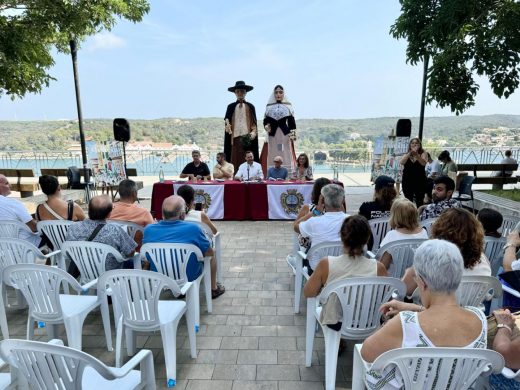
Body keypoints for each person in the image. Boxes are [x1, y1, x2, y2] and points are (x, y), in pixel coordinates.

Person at [361, 239, 487, 389]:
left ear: (422, 282)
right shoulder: (479, 318)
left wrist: (386, 324)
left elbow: (367, 354)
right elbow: (444, 320)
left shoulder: (405, 323)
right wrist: (415, 308)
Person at [304, 215, 387, 330]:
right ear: (367, 239)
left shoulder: (326, 264)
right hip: (368, 320)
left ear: (342, 237)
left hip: (336, 322)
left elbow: (308, 292)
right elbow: (386, 298)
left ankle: (337, 341)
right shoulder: (379, 268)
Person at [142, 195, 224, 299]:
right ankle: (214, 288)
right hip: (188, 276)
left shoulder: (149, 230)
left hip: (160, 275)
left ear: (163, 214)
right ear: (182, 215)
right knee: (211, 255)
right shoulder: (193, 229)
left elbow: (146, 257)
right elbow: (209, 253)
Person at [403, 207, 491, 295]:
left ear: (439, 229)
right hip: (471, 308)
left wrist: (410, 272)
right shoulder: (483, 260)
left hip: (431, 307)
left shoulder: (429, 256)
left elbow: (405, 289)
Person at [66, 195, 137, 273]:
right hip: (110, 275)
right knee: (135, 260)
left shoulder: (73, 228)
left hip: (85, 271)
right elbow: (131, 252)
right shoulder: (115, 230)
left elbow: (69, 253)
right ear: (109, 214)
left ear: (89, 210)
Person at [294, 184, 348, 272]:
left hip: (317, 270)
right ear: (342, 200)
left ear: (322, 200)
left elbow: (296, 226)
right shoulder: (351, 221)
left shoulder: (313, 222)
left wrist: (316, 211)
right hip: (342, 269)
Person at [378, 198, 428, 272]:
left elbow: (383, 265)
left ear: (395, 216)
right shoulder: (423, 232)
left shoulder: (392, 236)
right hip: (416, 279)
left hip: (395, 281)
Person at [224, 81, 259, 171]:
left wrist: (253, 133)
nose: (240, 93)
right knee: (234, 159)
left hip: (246, 139)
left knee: (247, 159)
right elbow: (226, 120)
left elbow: (254, 123)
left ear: (246, 92)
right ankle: (235, 178)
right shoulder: (230, 106)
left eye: (242, 91)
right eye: (238, 91)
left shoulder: (251, 106)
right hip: (234, 138)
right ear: (235, 93)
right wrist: (227, 126)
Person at [0, 173, 41, 247]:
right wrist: (43, 224)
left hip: (4, 248)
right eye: (6, 183)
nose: (10, 186)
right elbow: (33, 227)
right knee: (51, 237)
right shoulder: (13, 203)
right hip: (24, 245)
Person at [263, 85, 296, 173]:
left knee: (284, 152)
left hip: (284, 134)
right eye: (276, 92)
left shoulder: (288, 107)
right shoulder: (269, 107)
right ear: (274, 94)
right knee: (273, 153)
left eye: (280, 92)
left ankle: (287, 173)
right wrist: (266, 126)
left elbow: (291, 123)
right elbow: (266, 121)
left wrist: (293, 134)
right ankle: (272, 173)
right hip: (272, 135)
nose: (278, 94)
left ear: (283, 94)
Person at [293, 177, 331, 253]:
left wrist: (315, 212)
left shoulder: (307, 208)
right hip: (330, 252)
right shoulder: (336, 210)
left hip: (309, 253)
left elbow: (296, 227)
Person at [400, 138, 428, 207]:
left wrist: (416, 155)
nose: (414, 144)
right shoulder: (407, 154)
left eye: (416, 143)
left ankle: (420, 215)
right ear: (410, 145)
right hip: (407, 179)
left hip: (420, 180)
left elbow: (423, 163)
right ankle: (409, 215)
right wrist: (410, 153)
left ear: (419, 145)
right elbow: (402, 162)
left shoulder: (423, 153)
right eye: (412, 143)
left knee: (419, 199)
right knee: (408, 200)